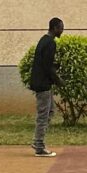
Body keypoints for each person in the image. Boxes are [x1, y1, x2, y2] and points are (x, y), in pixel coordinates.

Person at [29, 16, 63, 156]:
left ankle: (38, 140)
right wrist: (58, 80)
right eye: (61, 28)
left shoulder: (44, 40)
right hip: (43, 84)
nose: (62, 31)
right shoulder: (50, 43)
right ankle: (39, 146)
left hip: (42, 83)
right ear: (55, 28)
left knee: (50, 111)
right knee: (43, 115)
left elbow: (44, 62)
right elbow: (47, 67)